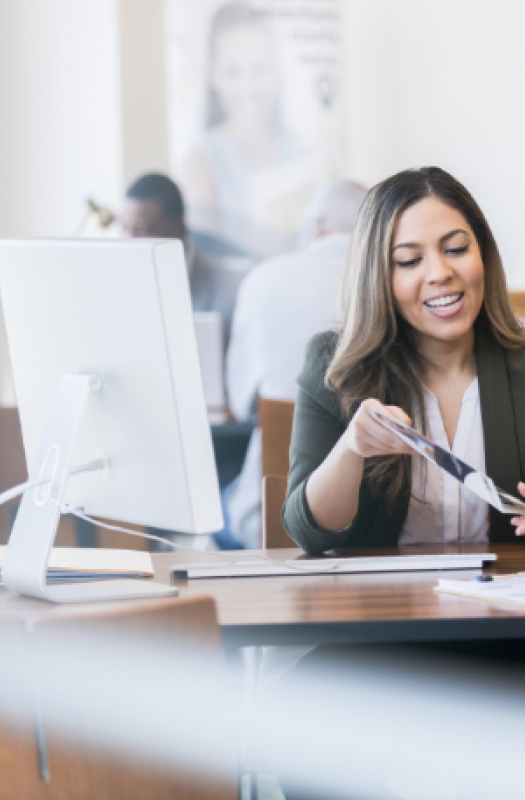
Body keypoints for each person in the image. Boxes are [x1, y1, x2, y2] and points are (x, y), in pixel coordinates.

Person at [274, 167, 525, 796]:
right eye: (410, 259)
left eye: (457, 248)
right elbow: (308, 531)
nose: (440, 273)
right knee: (308, 725)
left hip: (512, 641)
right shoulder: (334, 366)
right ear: (380, 276)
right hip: (373, 639)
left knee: (524, 739)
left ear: (483, 253)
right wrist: (351, 448)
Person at [218, 180, 367, 549]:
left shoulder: (263, 279)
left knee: (218, 506)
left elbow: (240, 404)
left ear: (318, 226)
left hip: (267, 512)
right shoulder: (389, 278)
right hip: (370, 517)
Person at [180, 1, 315, 256]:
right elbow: (206, 260)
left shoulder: (302, 153)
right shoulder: (200, 163)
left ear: (277, 70)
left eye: (259, 69)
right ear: (213, 75)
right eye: (233, 72)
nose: (249, 87)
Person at [120, 172, 244, 353]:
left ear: (179, 229)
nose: (130, 242)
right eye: (125, 229)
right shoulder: (121, 287)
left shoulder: (231, 291)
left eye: (142, 230)